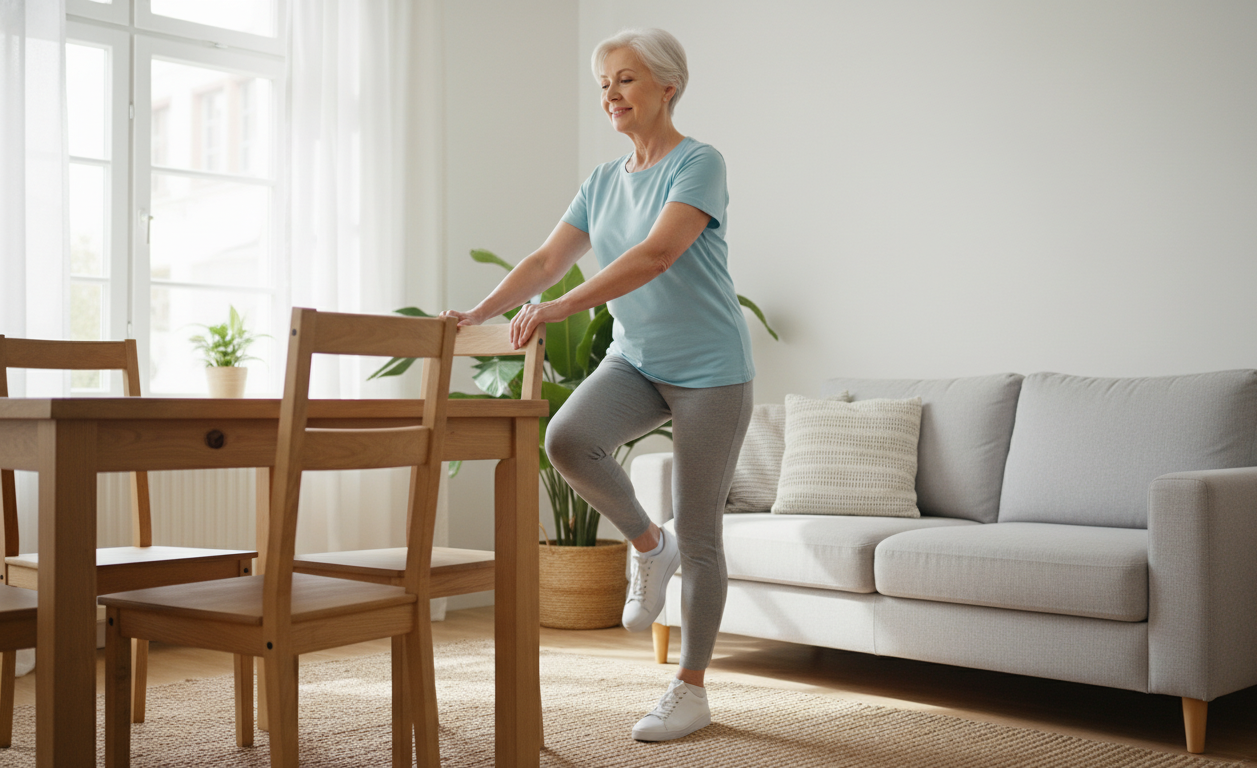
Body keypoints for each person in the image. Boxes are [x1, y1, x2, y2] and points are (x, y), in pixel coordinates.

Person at [441, 27, 754, 742]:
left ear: (667, 85)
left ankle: (690, 688)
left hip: (710, 371)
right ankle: (649, 545)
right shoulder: (602, 182)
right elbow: (548, 257)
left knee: (702, 533)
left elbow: (657, 253)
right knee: (569, 439)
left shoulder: (697, 162)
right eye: (604, 84)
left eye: (626, 79)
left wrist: (556, 308)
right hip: (636, 358)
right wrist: (481, 310)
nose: (611, 94)